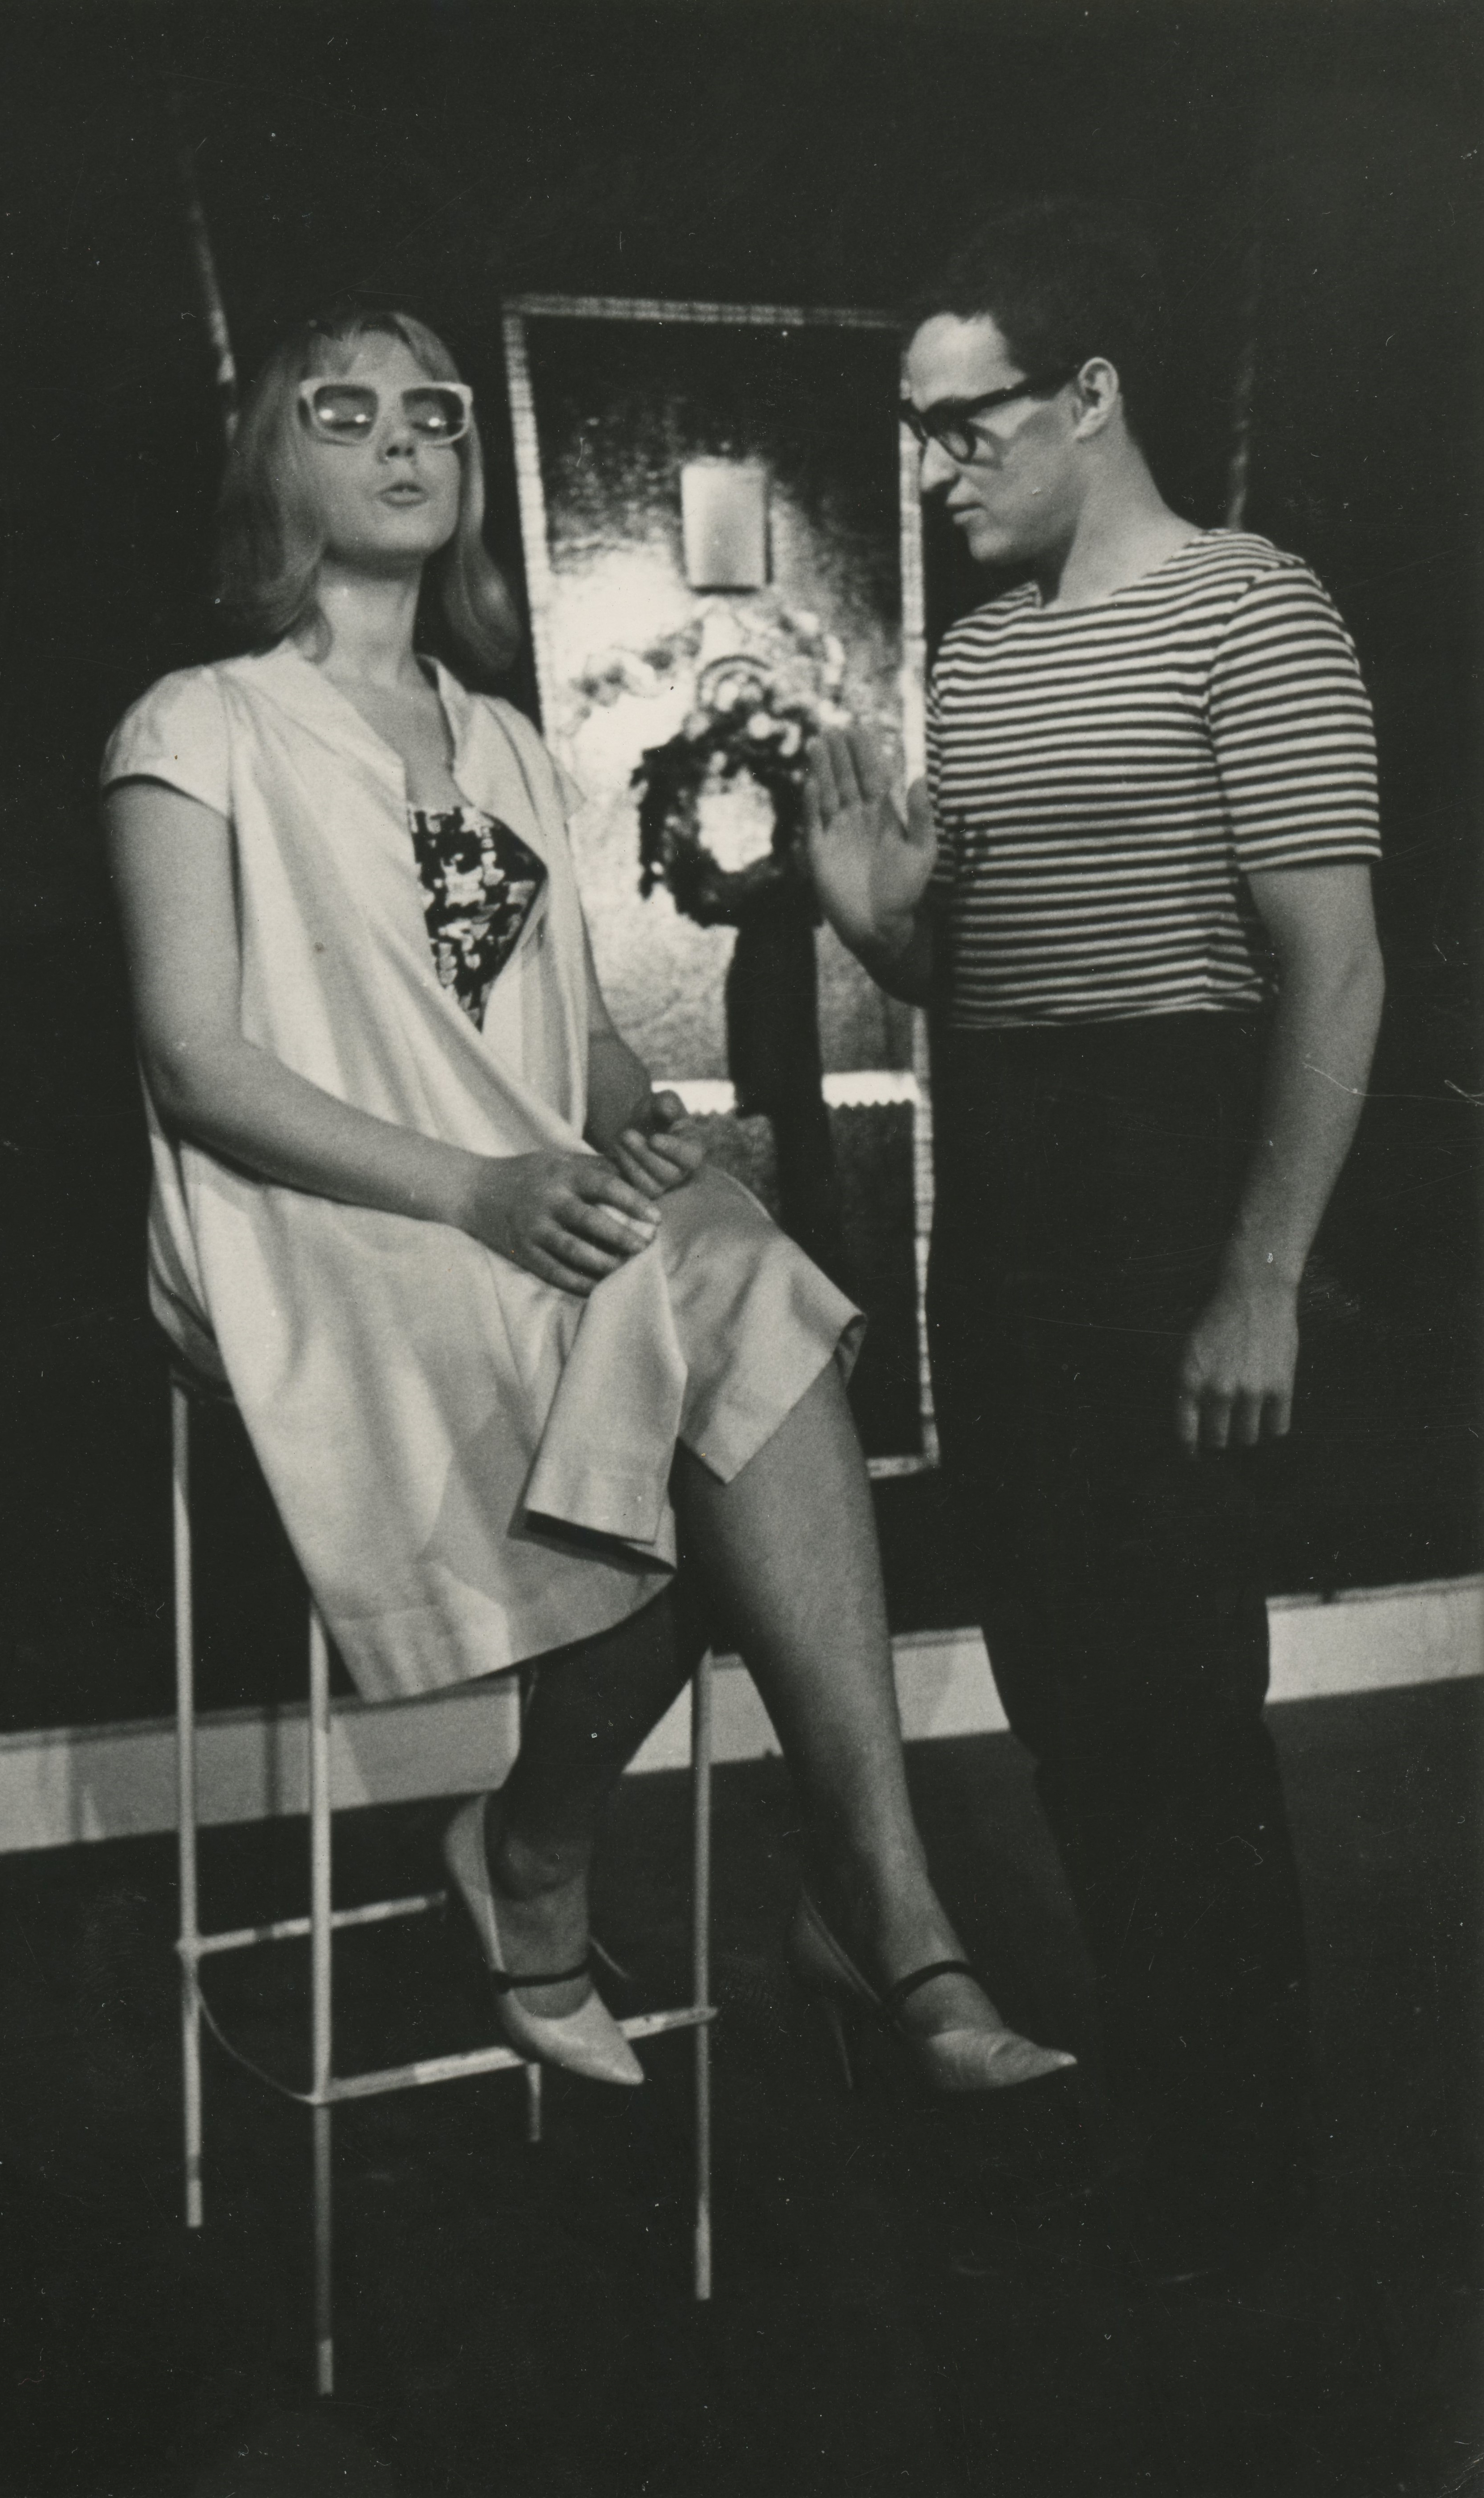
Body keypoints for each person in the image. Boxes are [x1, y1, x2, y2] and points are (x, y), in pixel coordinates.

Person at [102, 303, 1074, 2101]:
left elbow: (586, 1046)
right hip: (312, 1218)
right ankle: (562, 1851)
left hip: (526, 1202)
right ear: (271, 462)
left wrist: (648, 1131)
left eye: (433, 414)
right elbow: (195, 1063)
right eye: (343, 413)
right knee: (691, 1347)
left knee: (745, 1283)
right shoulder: (200, 723)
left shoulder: (506, 742)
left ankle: (880, 1907)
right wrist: (480, 1185)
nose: (403, 441)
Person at [804, 199, 1384, 2274]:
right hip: (1007, 1198)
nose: (933, 472)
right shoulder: (979, 655)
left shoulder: (1250, 605)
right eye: (915, 432)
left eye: (964, 427)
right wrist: (875, 924)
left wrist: (1254, 1274)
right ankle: (1174, 2122)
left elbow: (1332, 968)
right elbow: (982, 976)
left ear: (1088, 397)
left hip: (1166, 1191)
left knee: (1174, 1701)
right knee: (1059, 1674)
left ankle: (1247, 2190)